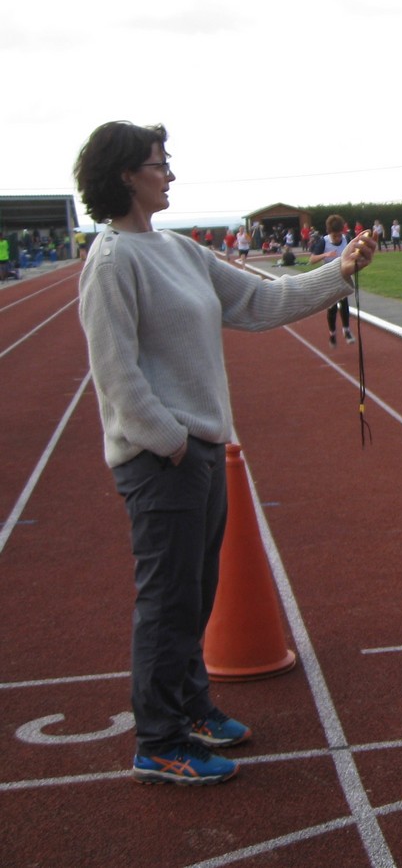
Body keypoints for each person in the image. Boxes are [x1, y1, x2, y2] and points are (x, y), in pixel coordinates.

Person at [74, 121, 376, 785]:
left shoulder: (178, 250)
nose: (170, 174)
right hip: (163, 461)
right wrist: (172, 442)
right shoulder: (112, 262)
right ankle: (159, 742)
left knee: (196, 594)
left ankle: (191, 708)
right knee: (169, 604)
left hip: (200, 450)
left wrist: (339, 272)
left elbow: (260, 302)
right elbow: (116, 374)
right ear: (126, 175)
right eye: (159, 164)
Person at [309, 215, 357, 347]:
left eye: (339, 235)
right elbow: (312, 260)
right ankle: (332, 334)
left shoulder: (346, 239)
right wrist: (325, 255)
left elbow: (354, 252)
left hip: (343, 276)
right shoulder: (323, 242)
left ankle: (346, 330)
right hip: (329, 278)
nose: (337, 238)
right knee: (332, 307)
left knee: (344, 304)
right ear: (329, 232)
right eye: (334, 236)